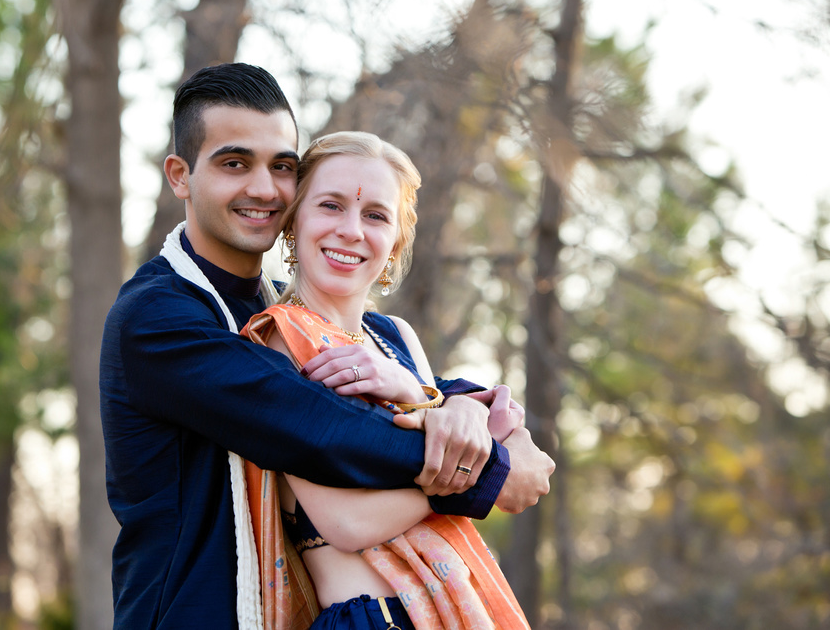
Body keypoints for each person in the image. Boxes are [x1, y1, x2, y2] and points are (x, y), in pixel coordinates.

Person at [99, 63, 554, 629]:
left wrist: (448, 400)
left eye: (282, 167)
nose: (264, 188)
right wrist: (489, 470)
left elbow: (367, 407)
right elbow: (322, 428)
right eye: (234, 163)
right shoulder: (160, 318)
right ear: (180, 175)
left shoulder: (269, 308)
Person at [241, 131, 530, 630]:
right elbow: (349, 524)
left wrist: (423, 395)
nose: (351, 230)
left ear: (395, 242)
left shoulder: (394, 336)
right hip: (370, 618)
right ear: (293, 221)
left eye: (375, 215)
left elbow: (449, 430)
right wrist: (485, 473)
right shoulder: (281, 340)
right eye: (331, 206)